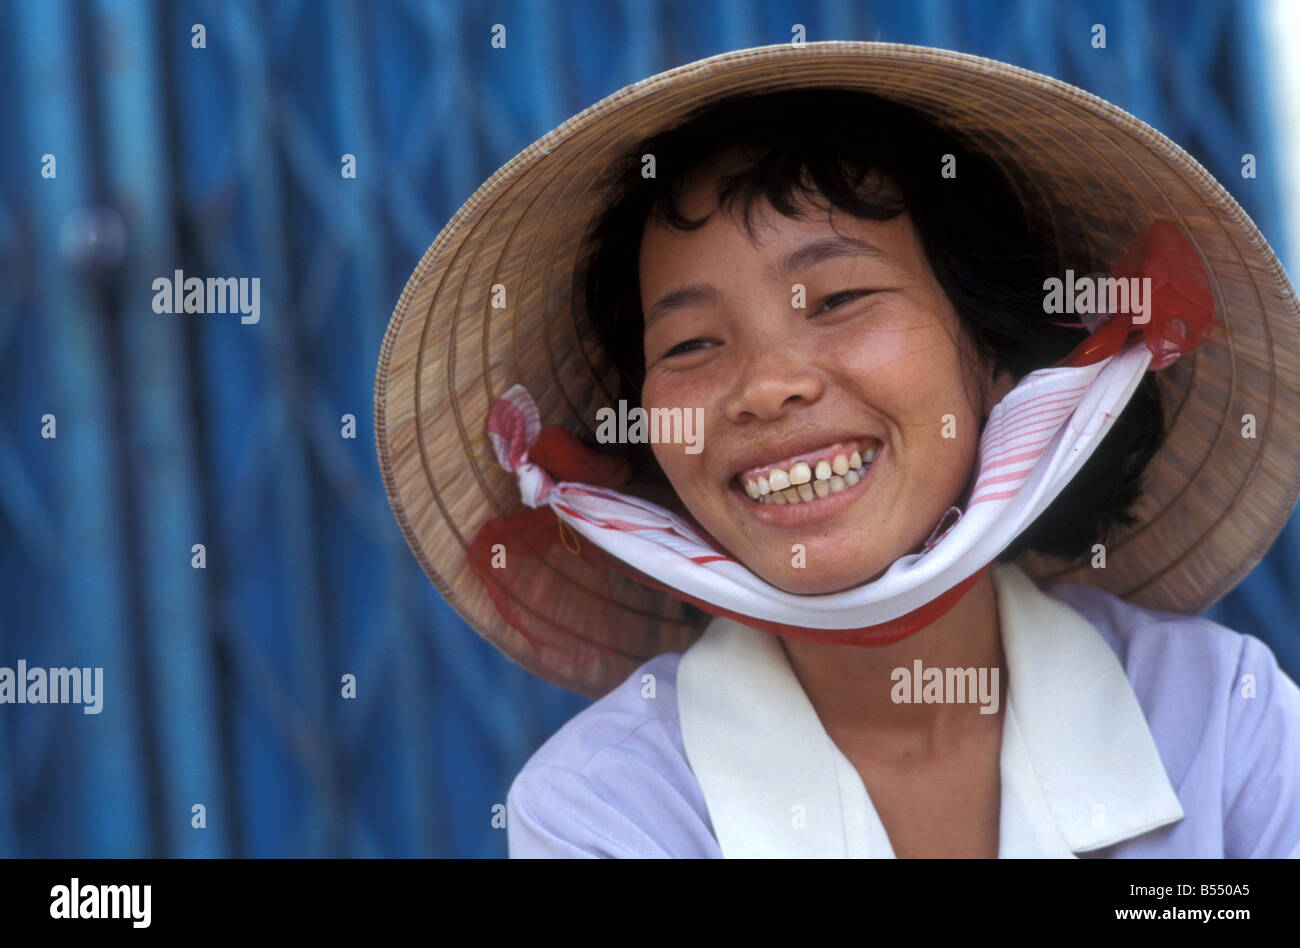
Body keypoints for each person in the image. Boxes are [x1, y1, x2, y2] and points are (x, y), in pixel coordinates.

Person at [374, 43, 1300, 858]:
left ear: (994, 357)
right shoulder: (605, 812)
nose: (767, 385)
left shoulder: (1225, 722)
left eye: (840, 299)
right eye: (692, 345)